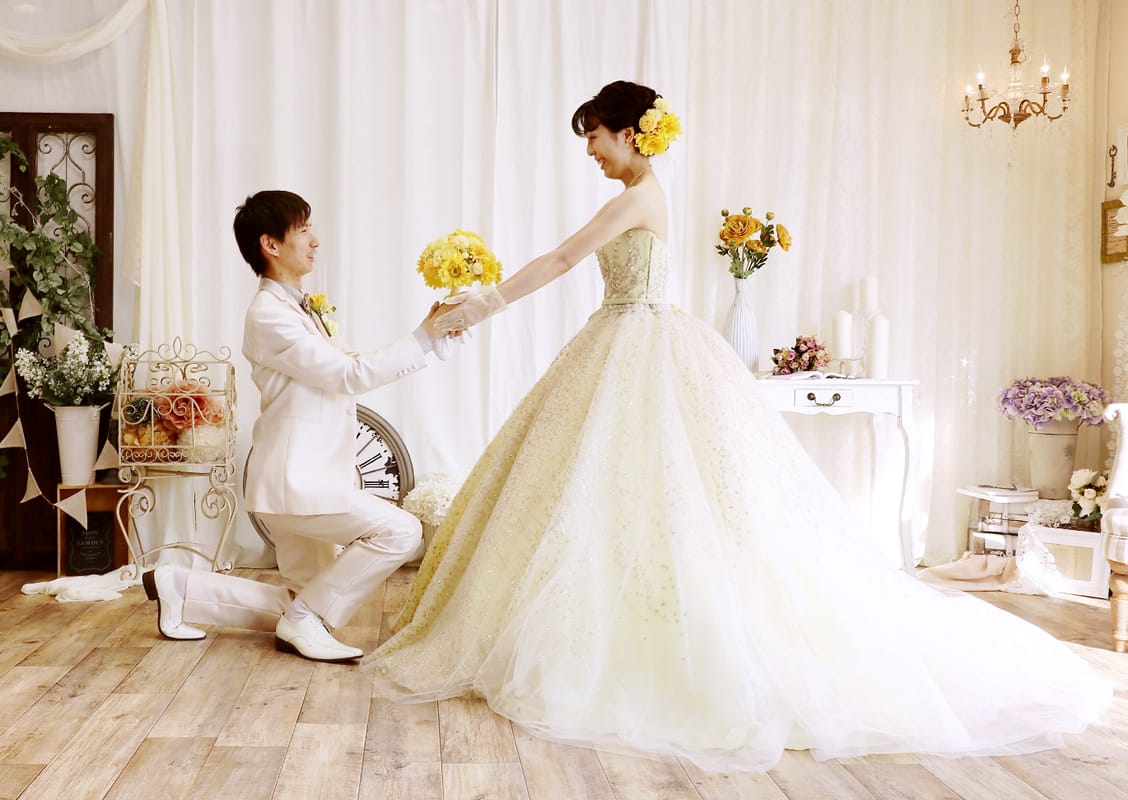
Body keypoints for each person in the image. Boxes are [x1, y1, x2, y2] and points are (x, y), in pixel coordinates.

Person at [360, 81, 1110, 771]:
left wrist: (478, 308)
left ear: (629, 134)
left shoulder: (638, 197)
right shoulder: (641, 193)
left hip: (636, 342)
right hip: (622, 337)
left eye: (595, 136)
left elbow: (560, 259)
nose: (589, 150)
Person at [143, 190, 452, 663]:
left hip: (311, 476)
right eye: (304, 230)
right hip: (296, 483)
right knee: (401, 532)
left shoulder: (300, 307)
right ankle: (303, 621)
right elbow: (351, 376)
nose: (315, 241)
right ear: (271, 244)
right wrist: (422, 339)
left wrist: (427, 335)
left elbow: (351, 363)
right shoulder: (269, 315)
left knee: (300, 600)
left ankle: (180, 587)